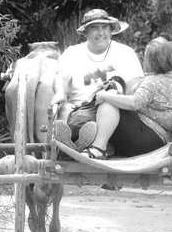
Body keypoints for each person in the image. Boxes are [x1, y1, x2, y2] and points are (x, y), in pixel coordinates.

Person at [78, 37, 172, 159]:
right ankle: (99, 142)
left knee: (110, 101)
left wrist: (105, 95)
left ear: (150, 60)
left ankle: (98, 148)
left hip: (145, 141)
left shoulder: (152, 82)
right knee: (113, 98)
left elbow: (134, 103)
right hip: (159, 141)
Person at [51, 9, 144, 149]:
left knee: (109, 102)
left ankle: (89, 144)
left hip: (114, 112)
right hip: (79, 110)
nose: (101, 33)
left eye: (105, 27)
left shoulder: (126, 53)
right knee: (64, 110)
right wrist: (60, 93)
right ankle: (70, 144)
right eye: (94, 28)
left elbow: (135, 87)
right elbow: (61, 78)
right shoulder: (72, 53)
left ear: (111, 30)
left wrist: (116, 97)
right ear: (85, 32)